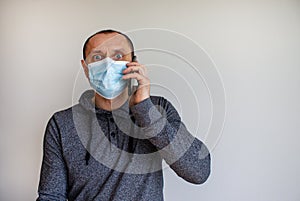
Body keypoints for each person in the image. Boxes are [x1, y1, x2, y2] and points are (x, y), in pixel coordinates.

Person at [36, 29, 211, 201]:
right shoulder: (62, 123)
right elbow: (51, 196)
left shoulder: (158, 108)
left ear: (134, 63)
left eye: (118, 56)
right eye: (97, 57)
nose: (108, 64)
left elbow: (198, 171)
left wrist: (144, 109)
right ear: (86, 68)